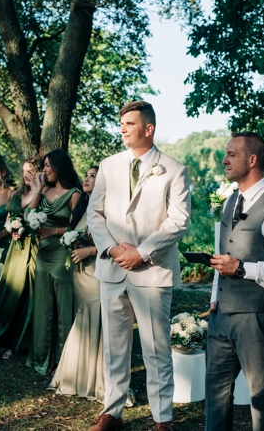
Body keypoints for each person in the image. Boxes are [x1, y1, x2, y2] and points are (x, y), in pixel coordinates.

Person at [87, 100, 191, 431]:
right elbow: (94, 213)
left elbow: (179, 221)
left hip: (152, 271)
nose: (122, 129)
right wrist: (114, 248)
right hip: (113, 269)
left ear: (149, 129)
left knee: (156, 350)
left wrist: (142, 251)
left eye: (129, 124)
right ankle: (112, 412)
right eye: (121, 124)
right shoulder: (108, 165)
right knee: (114, 347)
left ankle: (162, 420)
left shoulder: (174, 169)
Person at [206, 132, 264, 430]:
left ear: (252, 160)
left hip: (257, 317)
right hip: (221, 316)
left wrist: (243, 269)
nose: (225, 159)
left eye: (232, 154)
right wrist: (213, 300)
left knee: (262, 398)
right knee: (215, 398)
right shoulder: (231, 200)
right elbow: (224, 253)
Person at [50, 165, 104, 400]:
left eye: (94, 176)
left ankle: (95, 380)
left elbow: (114, 243)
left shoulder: (106, 209)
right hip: (78, 272)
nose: (87, 178)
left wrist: (88, 251)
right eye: (87, 175)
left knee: (94, 318)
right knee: (79, 321)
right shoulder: (82, 207)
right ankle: (77, 376)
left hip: (94, 271)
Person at [28, 149, 82, 376]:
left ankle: (64, 360)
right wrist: (38, 191)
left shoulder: (74, 193)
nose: (45, 169)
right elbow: (29, 215)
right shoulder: (45, 190)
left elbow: (77, 227)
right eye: (44, 165)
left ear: (60, 166)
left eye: (48, 165)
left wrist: (52, 231)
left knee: (62, 307)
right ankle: (43, 358)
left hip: (61, 254)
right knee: (42, 305)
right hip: (43, 255)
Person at [0, 157, 44, 360]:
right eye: (24, 171)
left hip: (35, 247)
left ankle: (23, 343)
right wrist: (12, 228)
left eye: (30, 171)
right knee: (11, 295)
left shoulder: (43, 193)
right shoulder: (19, 194)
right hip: (15, 249)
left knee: (29, 295)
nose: (26, 175)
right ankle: (6, 341)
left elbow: (34, 214)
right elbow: (11, 218)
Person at [0, 159, 14, 289]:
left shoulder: (12, 194)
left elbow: (15, 220)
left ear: (3, 172)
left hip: (5, 242)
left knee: (2, 281)